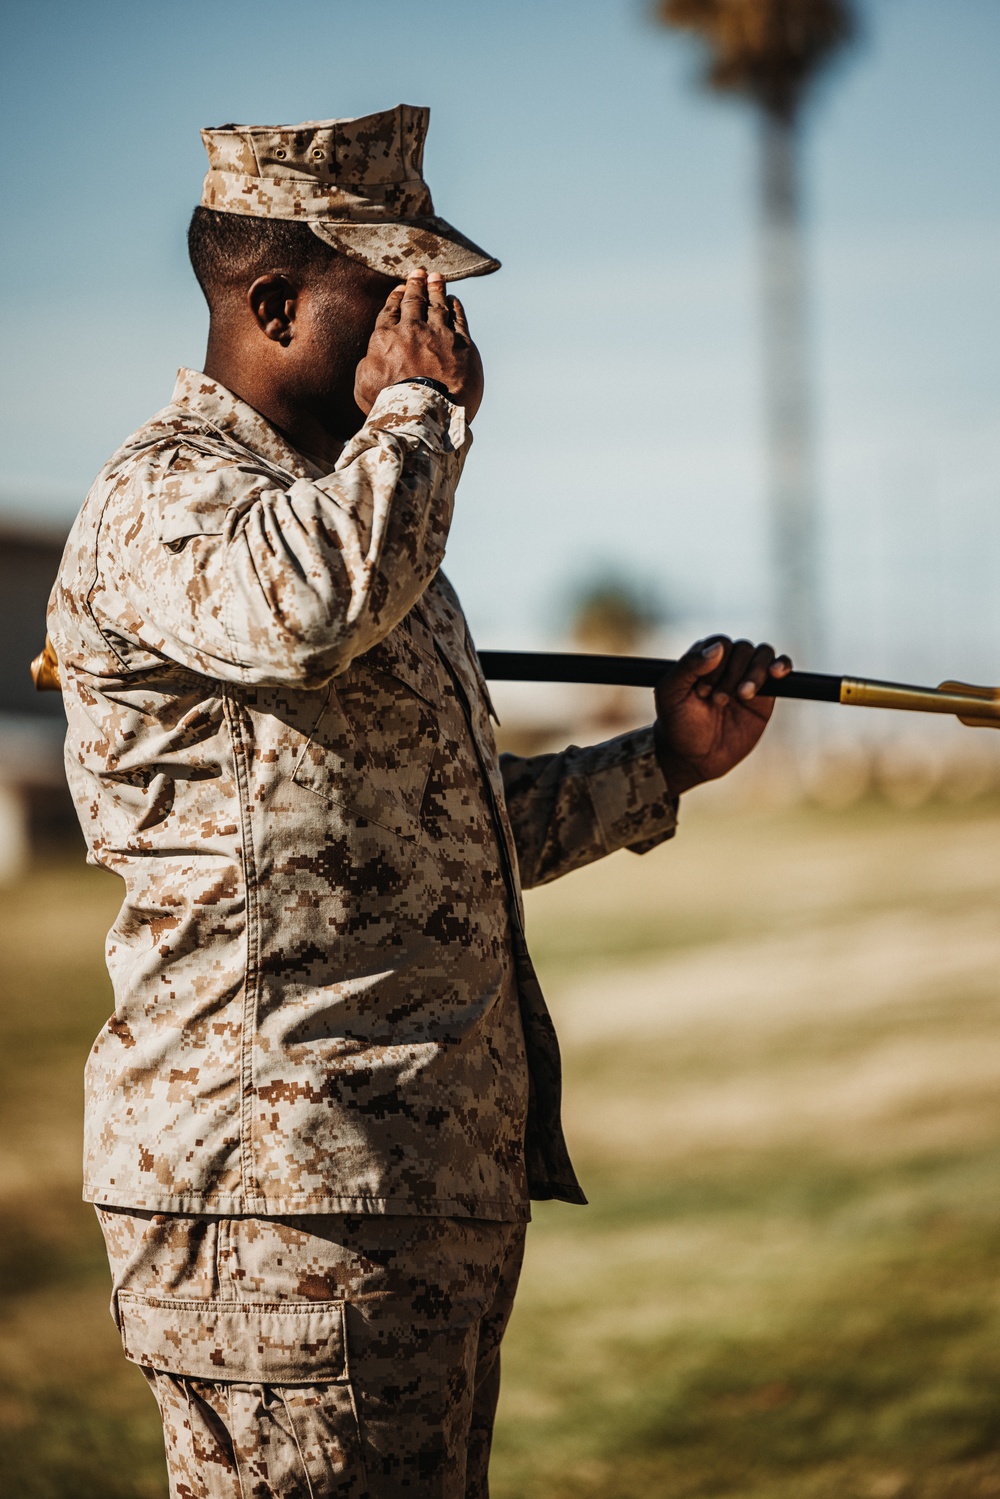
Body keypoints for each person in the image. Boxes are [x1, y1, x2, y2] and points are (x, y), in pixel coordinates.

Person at [47, 104, 791, 1499]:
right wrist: (420, 418)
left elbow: (432, 838)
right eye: (390, 298)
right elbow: (310, 608)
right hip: (273, 1210)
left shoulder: (365, 525)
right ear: (272, 303)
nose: (426, 332)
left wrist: (662, 764)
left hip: (400, 1195)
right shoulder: (171, 499)